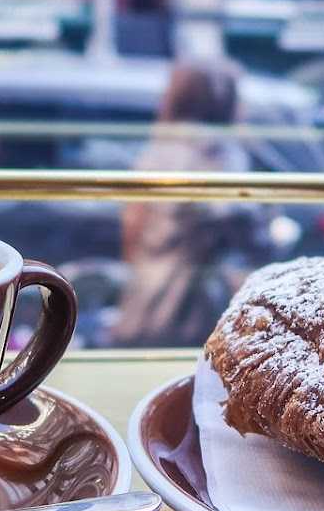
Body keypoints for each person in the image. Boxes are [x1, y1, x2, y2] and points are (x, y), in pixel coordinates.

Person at [111, 62, 267, 348]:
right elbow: (242, 227)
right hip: (193, 299)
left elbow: (132, 226)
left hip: (149, 289)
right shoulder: (222, 151)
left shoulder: (159, 147)